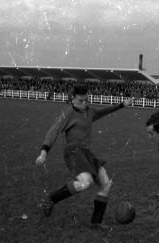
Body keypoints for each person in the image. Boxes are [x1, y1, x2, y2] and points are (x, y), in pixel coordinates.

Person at [35, 84, 132, 229]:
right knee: (85, 183)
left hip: (86, 153)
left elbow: (104, 111)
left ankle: (96, 222)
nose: (84, 103)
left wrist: (122, 105)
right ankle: (50, 199)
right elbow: (53, 131)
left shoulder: (89, 111)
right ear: (72, 98)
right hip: (73, 152)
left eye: (86, 100)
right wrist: (44, 152)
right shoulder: (68, 114)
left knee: (106, 184)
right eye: (80, 100)